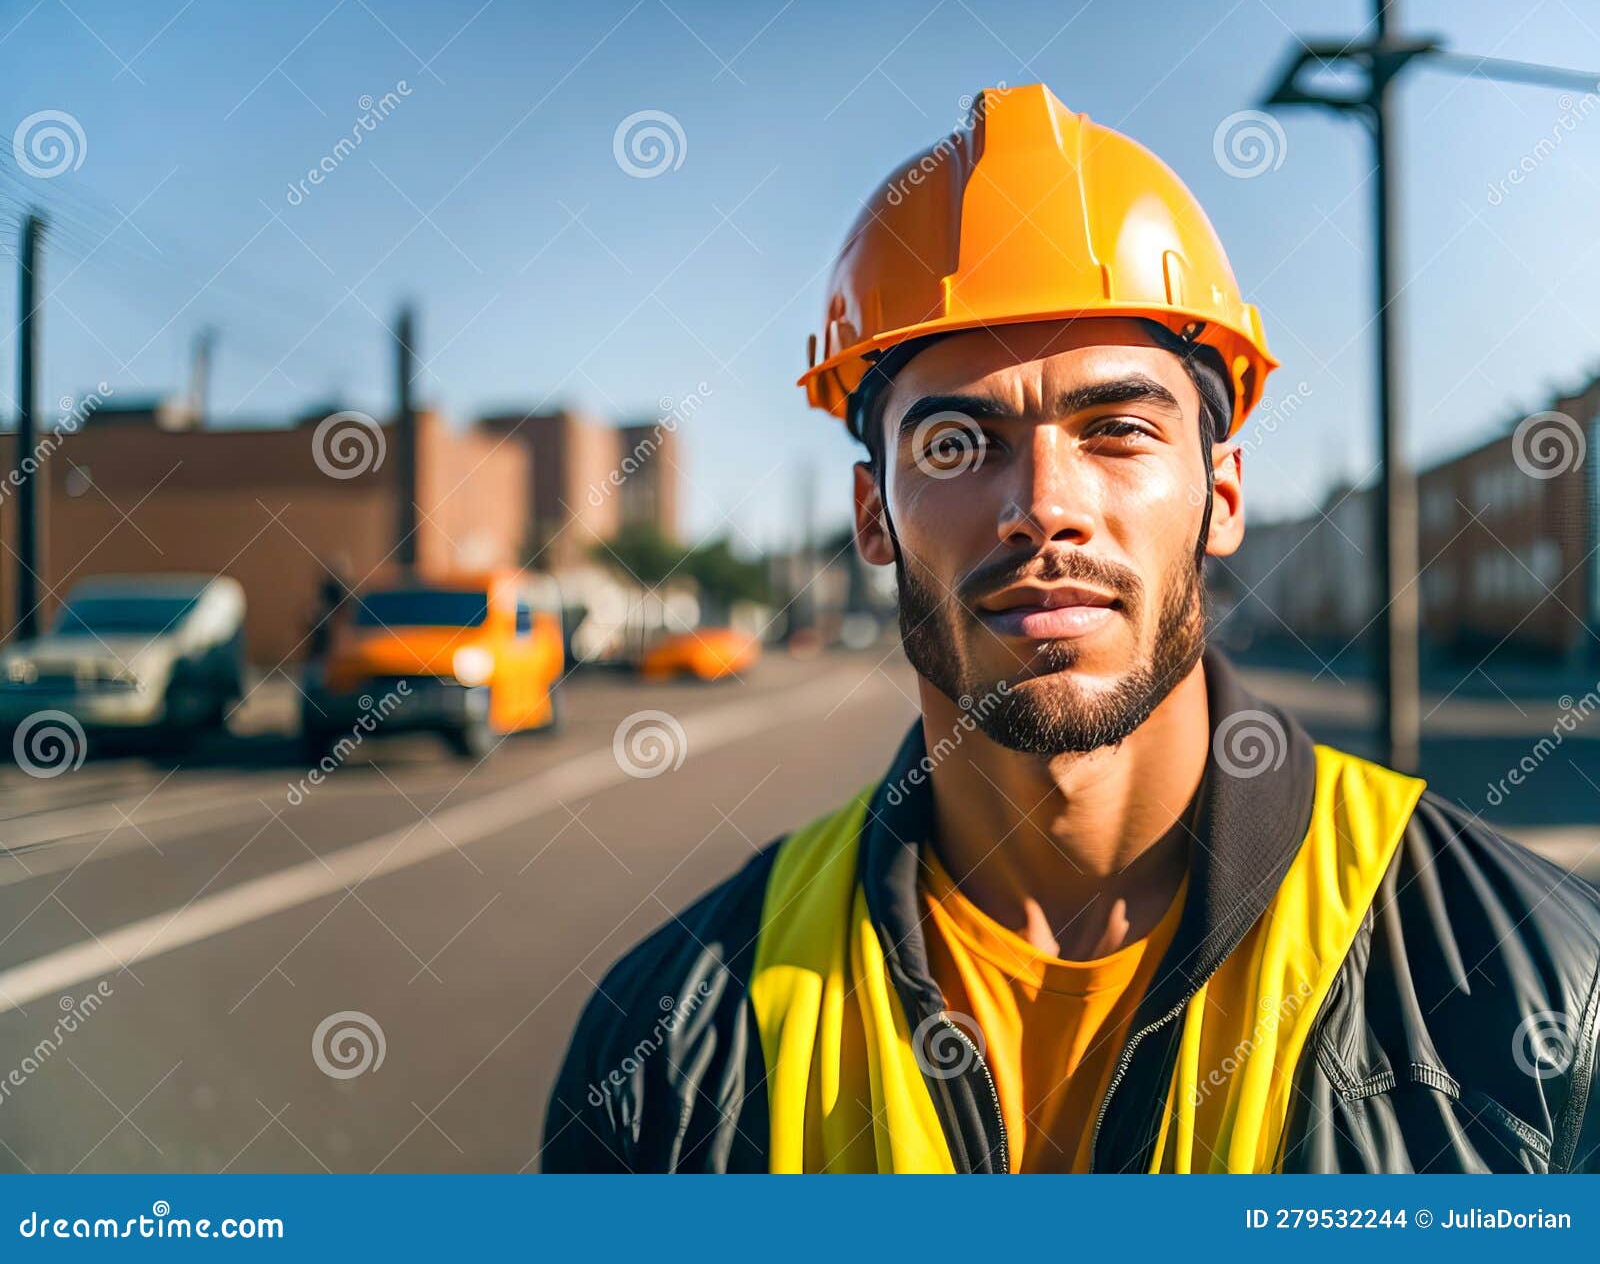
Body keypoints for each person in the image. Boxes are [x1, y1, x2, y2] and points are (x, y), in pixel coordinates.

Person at [543, 84, 1600, 1173]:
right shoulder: (669, 1043)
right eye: (958, 441)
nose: (1044, 503)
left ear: (1221, 495)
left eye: (1119, 429)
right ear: (873, 516)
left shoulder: (1545, 988)